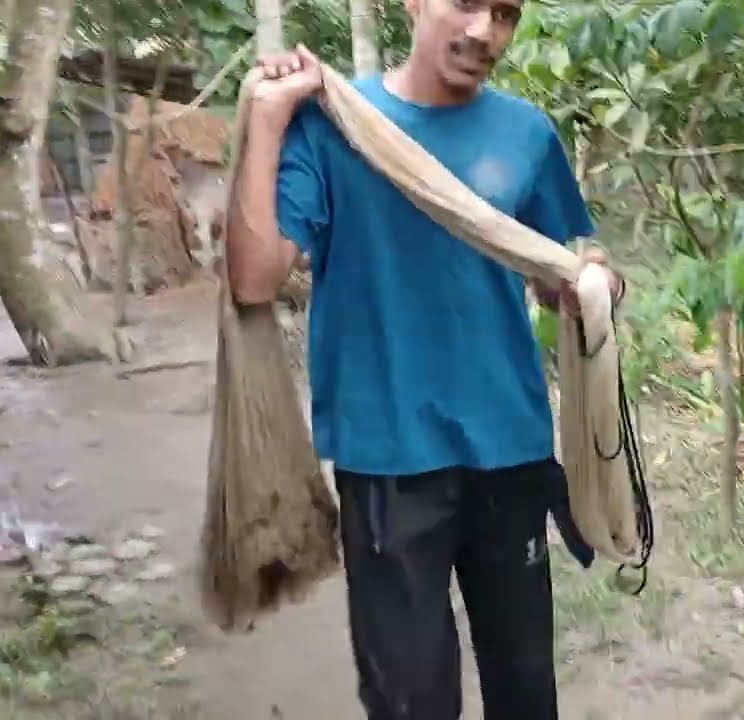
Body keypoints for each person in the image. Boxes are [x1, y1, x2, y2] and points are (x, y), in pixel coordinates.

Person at [223, 0, 623, 718]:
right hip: (388, 459)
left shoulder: (527, 133)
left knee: (526, 688)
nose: (484, 31)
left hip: (510, 449)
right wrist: (268, 119)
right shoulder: (335, 124)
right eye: (465, 3)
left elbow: (559, 266)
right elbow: (252, 280)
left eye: (505, 13)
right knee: (410, 699)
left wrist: (594, 280)